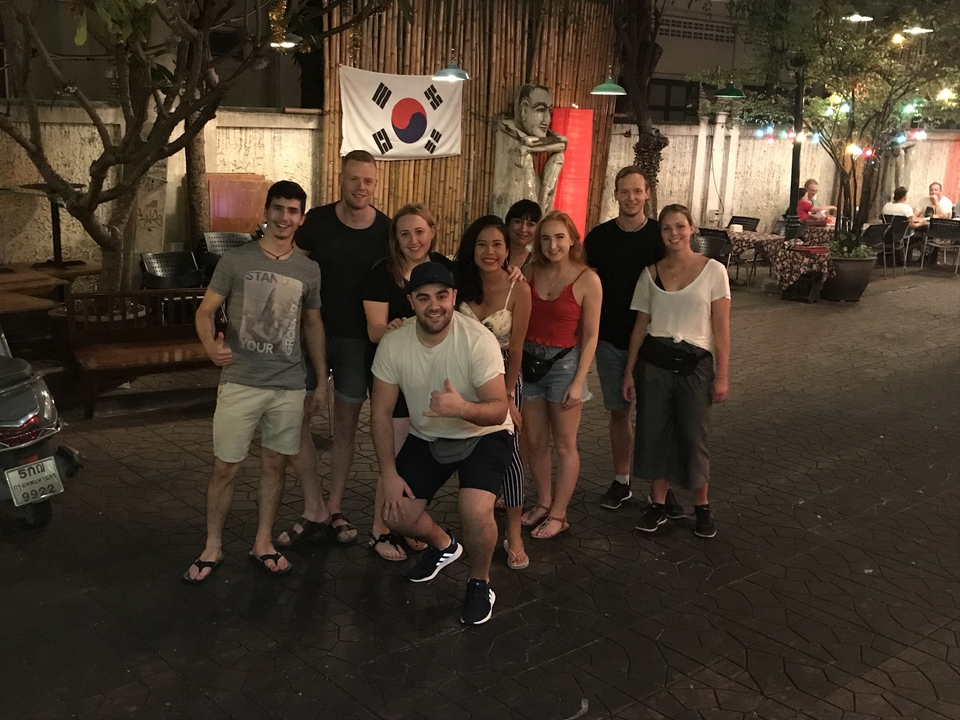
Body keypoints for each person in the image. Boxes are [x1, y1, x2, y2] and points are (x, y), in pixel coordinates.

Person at [184, 181, 327, 582]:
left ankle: (263, 541)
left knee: (274, 467)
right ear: (266, 212)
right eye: (278, 209)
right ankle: (213, 545)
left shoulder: (308, 269)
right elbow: (204, 312)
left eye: (293, 211)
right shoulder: (235, 261)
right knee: (225, 468)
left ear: (301, 217)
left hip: (288, 383)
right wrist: (209, 349)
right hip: (241, 381)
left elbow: (313, 326)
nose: (285, 218)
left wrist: (320, 379)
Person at [371, 262, 515, 625]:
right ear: (411, 302)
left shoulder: (477, 340)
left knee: (475, 510)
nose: (433, 305)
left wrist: (463, 408)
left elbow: (499, 410)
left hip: (483, 434)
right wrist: (387, 473)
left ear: (453, 297)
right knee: (395, 515)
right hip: (428, 435)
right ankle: (444, 546)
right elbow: (380, 412)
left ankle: (480, 582)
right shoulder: (394, 342)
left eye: (441, 296)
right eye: (423, 298)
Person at [277, 150, 390, 550]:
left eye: (368, 181)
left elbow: (414, 267)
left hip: (358, 342)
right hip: (309, 335)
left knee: (344, 429)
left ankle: (335, 506)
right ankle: (314, 505)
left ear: (375, 184)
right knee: (296, 422)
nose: (361, 187)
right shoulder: (317, 223)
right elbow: (292, 273)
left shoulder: (386, 231)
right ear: (340, 179)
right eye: (354, 179)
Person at [622, 204, 730, 539]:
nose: (674, 234)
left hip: (695, 364)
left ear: (692, 229)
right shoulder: (650, 273)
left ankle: (702, 505)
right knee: (653, 432)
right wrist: (629, 372)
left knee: (693, 434)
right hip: (655, 363)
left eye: (680, 227)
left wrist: (722, 375)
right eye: (667, 228)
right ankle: (657, 503)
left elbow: (721, 328)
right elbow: (640, 326)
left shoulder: (714, 271)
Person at [362, 204, 452, 561]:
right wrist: (391, 329)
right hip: (395, 377)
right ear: (395, 238)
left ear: (431, 231)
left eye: (419, 232)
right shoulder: (382, 273)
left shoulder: (444, 268)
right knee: (394, 457)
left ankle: (404, 523)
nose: (413, 240)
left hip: (430, 375)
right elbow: (373, 330)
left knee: (416, 457)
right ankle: (380, 529)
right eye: (404, 233)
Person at [584, 167, 665, 512]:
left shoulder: (662, 238)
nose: (631, 198)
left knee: (656, 417)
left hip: (656, 342)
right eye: (624, 192)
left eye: (637, 191)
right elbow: (578, 279)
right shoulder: (599, 238)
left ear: (648, 193)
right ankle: (622, 481)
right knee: (620, 413)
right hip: (610, 341)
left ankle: (661, 488)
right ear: (615, 195)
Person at [454, 215, 532, 570]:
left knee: (511, 451)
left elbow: (516, 350)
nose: (489, 251)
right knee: (460, 444)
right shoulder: (458, 283)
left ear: (507, 250)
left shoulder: (519, 289)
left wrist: (508, 397)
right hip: (462, 375)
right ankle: (472, 514)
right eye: (482, 244)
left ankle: (513, 532)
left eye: (497, 244)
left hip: (502, 376)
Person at [519, 210, 602, 539]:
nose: (552, 244)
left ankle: (559, 514)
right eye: (545, 238)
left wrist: (579, 380)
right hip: (529, 362)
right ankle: (543, 501)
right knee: (535, 442)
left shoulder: (587, 279)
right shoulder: (530, 271)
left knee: (565, 444)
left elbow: (592, 335)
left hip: (565, 365)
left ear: (572, 241)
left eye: (559, 237)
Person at [504, 199, 542, 270]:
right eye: (518, 222)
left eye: (530, 224)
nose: (523, 229)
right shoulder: (494, 254)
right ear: (508, 223)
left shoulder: (536, 263)